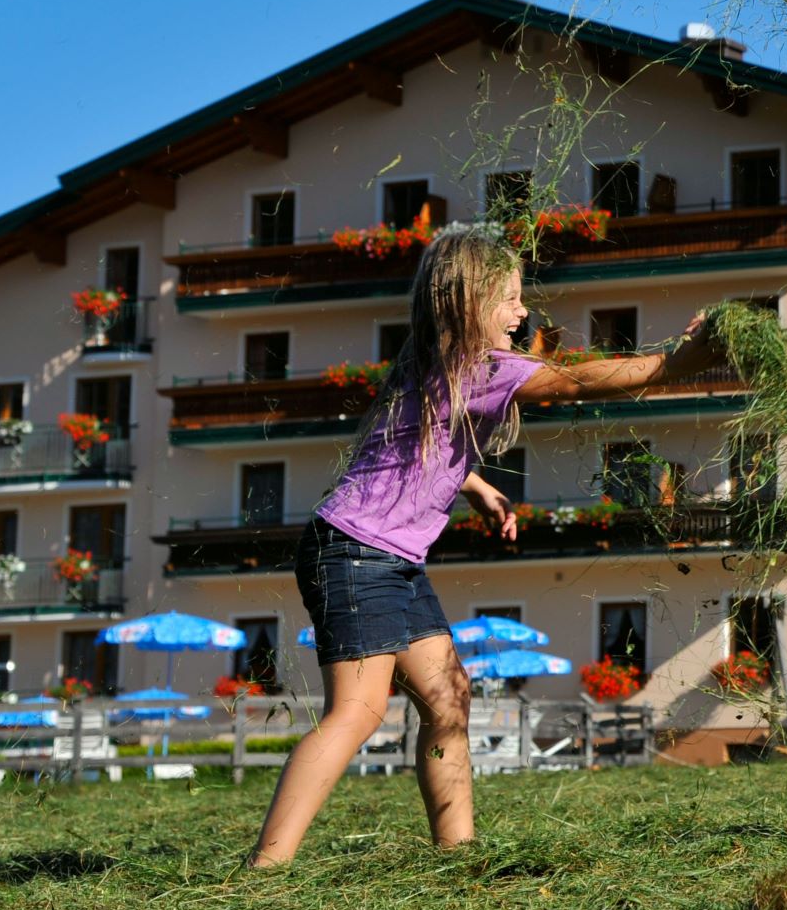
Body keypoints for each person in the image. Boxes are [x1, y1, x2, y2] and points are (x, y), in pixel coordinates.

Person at [246, 226, 716, 867]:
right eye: (511, 298)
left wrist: (473, 485)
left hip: (385, 558)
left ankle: (457, 856)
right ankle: (266, 868)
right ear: (469, 301)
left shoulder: (436, 365)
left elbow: (417, 447)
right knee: (357, 713)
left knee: (448, 701)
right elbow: (578, 382)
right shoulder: (486, 367)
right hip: (356, 554)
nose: (523, 312)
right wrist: (679, 362)